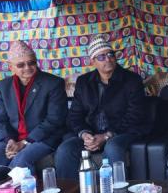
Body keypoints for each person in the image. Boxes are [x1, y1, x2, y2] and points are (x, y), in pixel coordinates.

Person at [55, 35, 150, 180]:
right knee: (65, 150)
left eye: (110, 54)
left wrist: (107, 136)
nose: (108, 59)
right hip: (92, 133)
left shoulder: (131, 80)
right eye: (101, 57)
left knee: (112, 147)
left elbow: (135, 115)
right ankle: (72, 192)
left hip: (123, 131)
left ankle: (117, 192)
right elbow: (75, 115)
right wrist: (84, 134)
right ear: (92, 61)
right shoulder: (84, 82)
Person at [0, 41, 67, 175]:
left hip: (42, 138)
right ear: (11, 67)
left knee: (20, 162)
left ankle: (23, 189)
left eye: (31, 63)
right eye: (21, 65)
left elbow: (55, 120)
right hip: (12, 138)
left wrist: (24, 143)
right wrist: (9, 140)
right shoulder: (4, 86)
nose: (27, 68)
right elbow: (1, 119)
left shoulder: (53, 83)